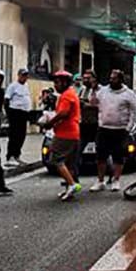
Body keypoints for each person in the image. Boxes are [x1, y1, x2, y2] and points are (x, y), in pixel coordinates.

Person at [90, 70, 136, 192]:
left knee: (119, 156)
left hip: (120, 130)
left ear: (121, 80)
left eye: (114, 78)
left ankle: (116, 180)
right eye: (110, 78)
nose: (111, 80)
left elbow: (134, 111)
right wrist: (93, 90)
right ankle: (100, 181)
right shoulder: (103, 91)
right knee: (101, 156)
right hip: (104, 129)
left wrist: (129, 127)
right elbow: (93, 103)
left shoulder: (129, 94)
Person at [43, 70, 83, 201]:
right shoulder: (70, 94)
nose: (55, 85)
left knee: (56, 160)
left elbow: (63, 113)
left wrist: (50, 123)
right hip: (73, 133)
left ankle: (72, 185)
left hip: (65, 134)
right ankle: (69, 187)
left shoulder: (67, 96)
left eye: (57, 82)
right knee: (69, 163)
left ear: (65, 82)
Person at [5, 68, 32, 166]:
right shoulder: (13, 86)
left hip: (24, 113)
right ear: (19, 75)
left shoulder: (26, 86)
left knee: (22, 135)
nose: (25, 77)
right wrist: (9, 114)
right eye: (23, 75)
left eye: (26, 75)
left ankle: (17, 155)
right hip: (15, 112)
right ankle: (10, 156)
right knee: (14, 135)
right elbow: (7, 100)